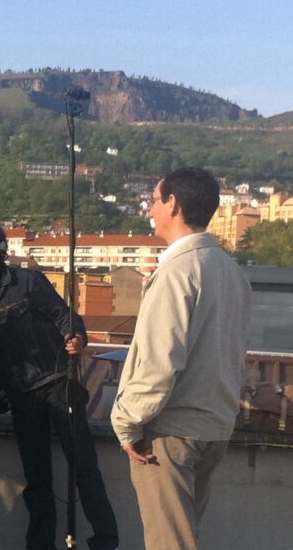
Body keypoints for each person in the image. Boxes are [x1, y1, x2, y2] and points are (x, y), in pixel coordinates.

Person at [111, 167, 251, 549]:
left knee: (170, 543)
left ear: (173, 204)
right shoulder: (231, 271)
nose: (150, 211)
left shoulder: (177, 271)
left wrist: (126, 423)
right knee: (184, 535)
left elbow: (159, 363)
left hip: (170, 431)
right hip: (214, 425)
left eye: (153, 201)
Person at [0, 222, 118, 550]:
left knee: (84, 469)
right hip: (22, 398)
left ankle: (106, 541)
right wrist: (0, 400)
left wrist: (75, 338)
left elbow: (65, 317)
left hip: (56, 384)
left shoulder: (27, 281)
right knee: (37, 480)